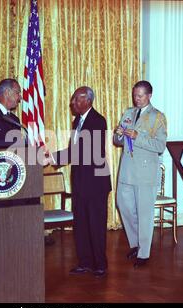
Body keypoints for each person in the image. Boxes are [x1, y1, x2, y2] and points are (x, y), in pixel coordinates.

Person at [46, 86, 111, 278]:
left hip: (96, 182)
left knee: (96, 224)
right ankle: (85, 262)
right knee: (81, 223)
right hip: (81, 181)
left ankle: (100, 264)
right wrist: (54, 157)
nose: (72, 102)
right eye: (73, 99)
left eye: (76, 99)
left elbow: (83, 151)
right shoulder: (77, 122)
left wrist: (54, 158)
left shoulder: (98, 121)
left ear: (88, 100)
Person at [113, 80, 167, 268]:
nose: (136, 98)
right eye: (135, 95)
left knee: (144, 213)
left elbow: (160, 146)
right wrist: (119, 134)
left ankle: (144, 254)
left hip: (145, 173)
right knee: (124, 205)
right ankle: (136, 244)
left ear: (149, 95)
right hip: (127, 171)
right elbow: (118, 140)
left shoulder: (157, 117)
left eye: (140, 95)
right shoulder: (128, 113)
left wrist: (138, 137)